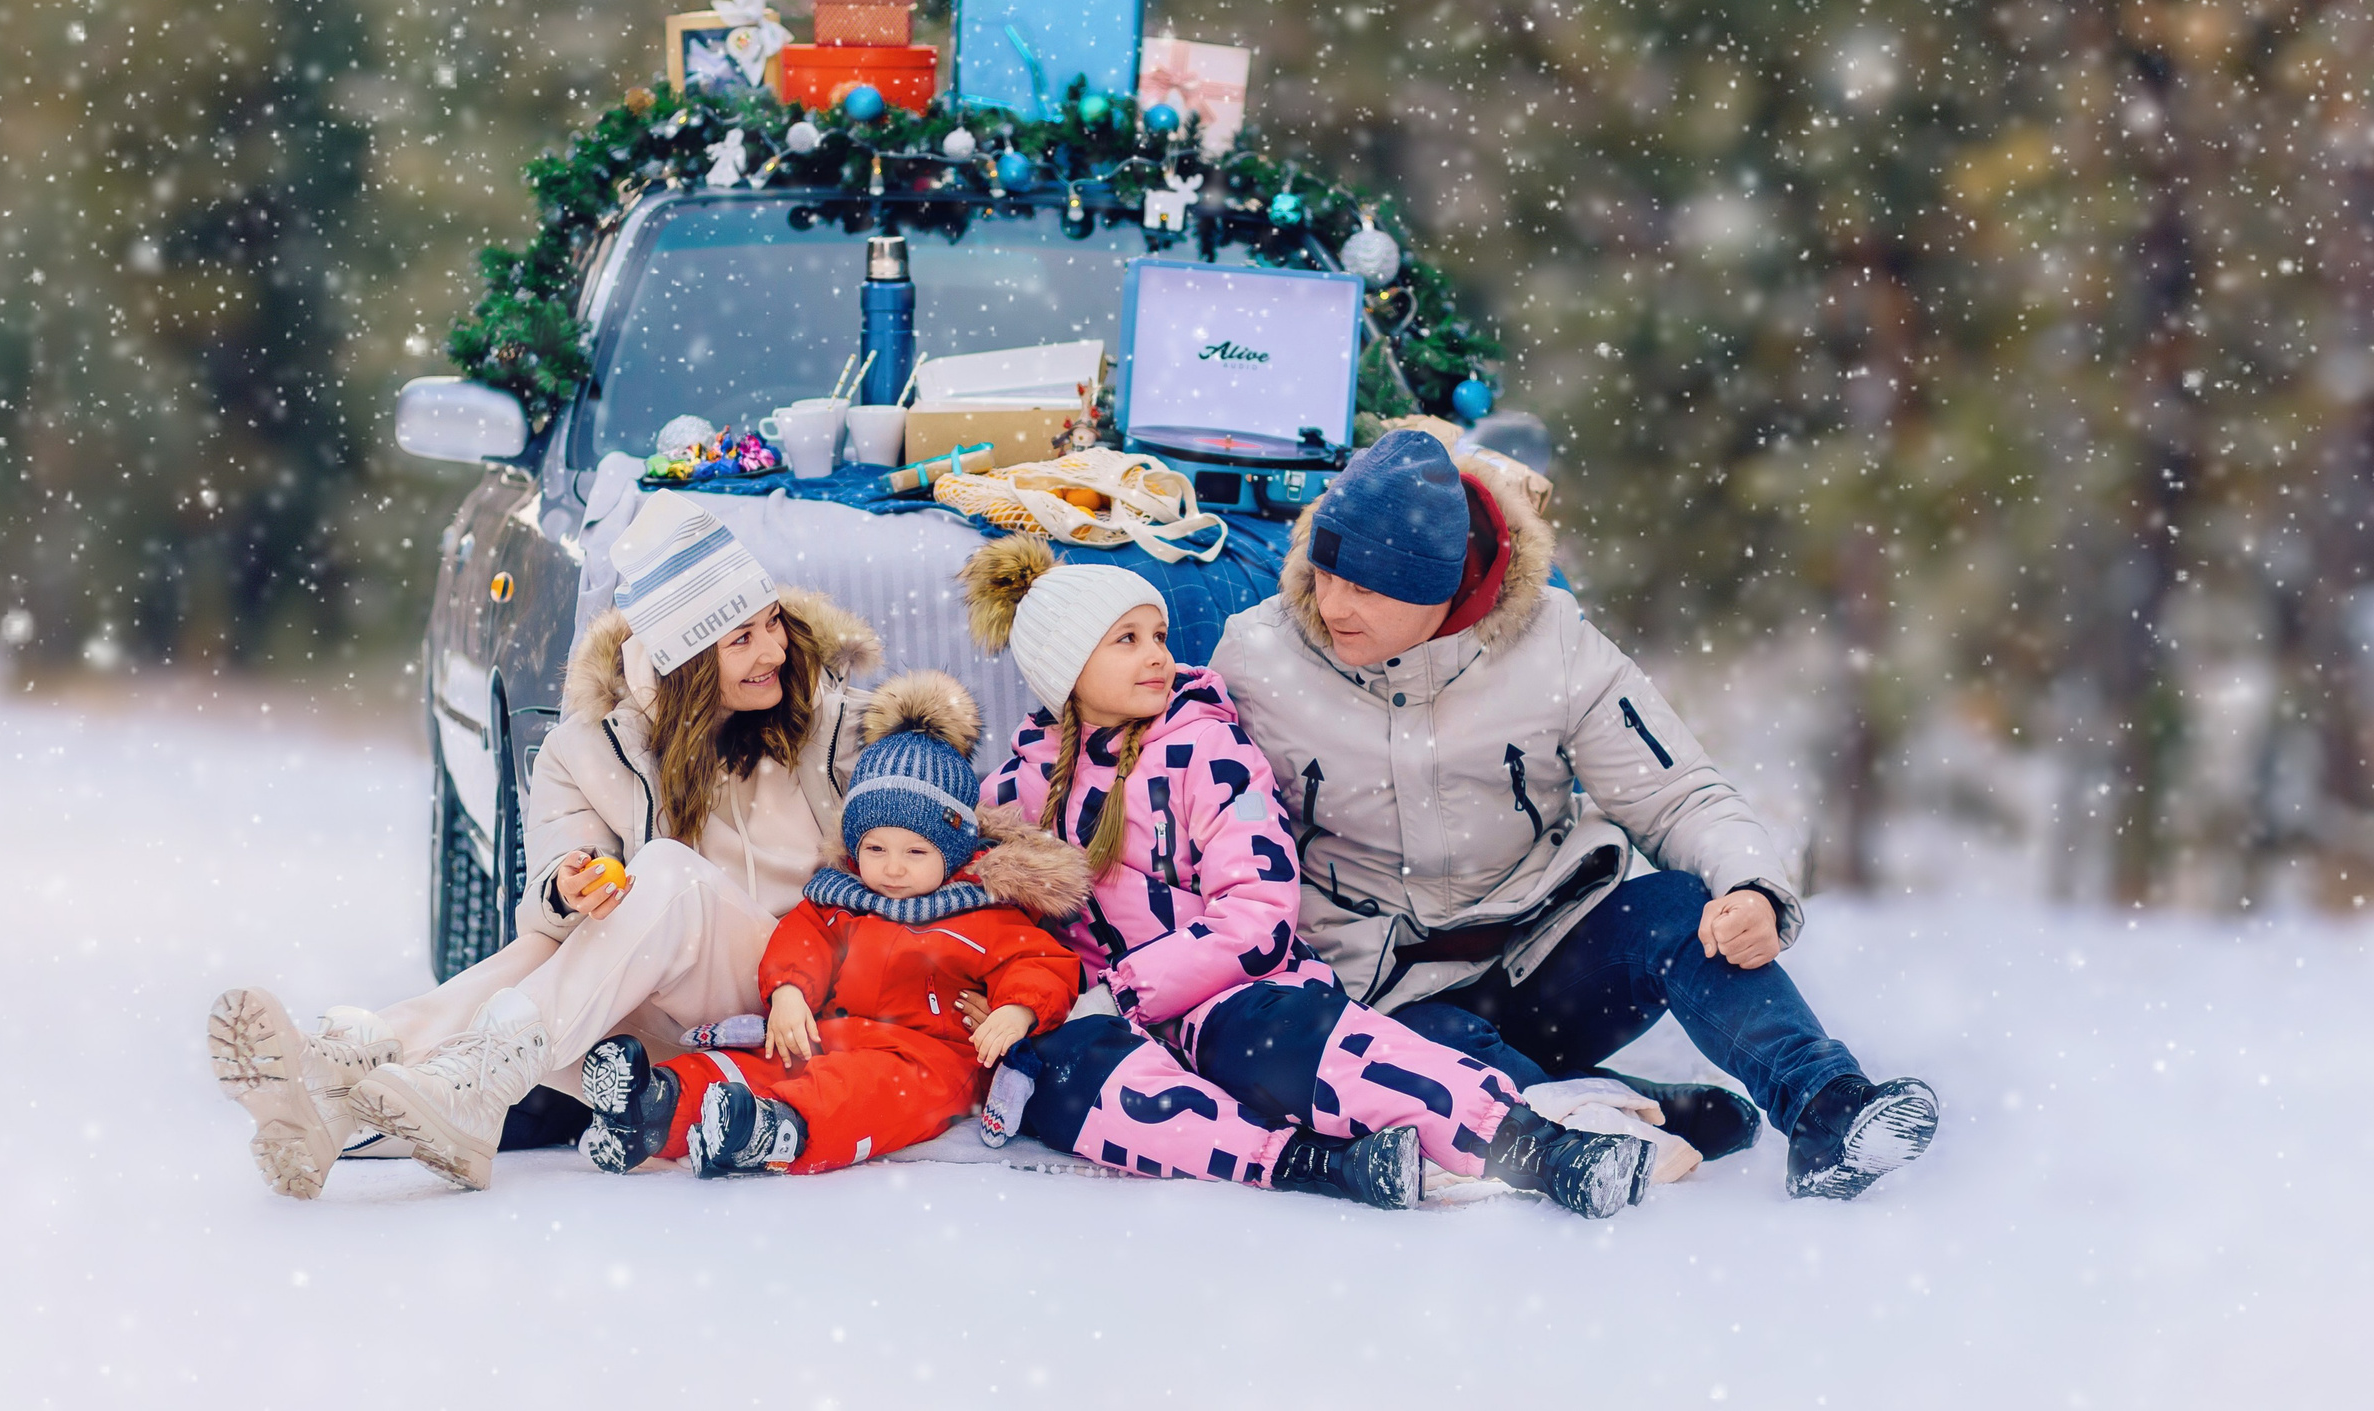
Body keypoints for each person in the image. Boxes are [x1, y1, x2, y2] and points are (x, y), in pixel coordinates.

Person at [1208, 419, 1940, 1200]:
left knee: (1684, 911)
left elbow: (1676, 791)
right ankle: (1620, 1116)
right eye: (1325, 573)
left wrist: (1753, 888)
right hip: (1389, 988)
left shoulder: (1552, 641)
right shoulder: (1257, 660)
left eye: (1367, 587)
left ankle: (1828, 1108)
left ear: (1443, 584)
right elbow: (1203, 828)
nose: (1333, 604)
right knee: (1431, 1064)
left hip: (1551, 950)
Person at [205, 490, 887, 1196]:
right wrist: (569, 886)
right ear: (683, 661)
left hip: (794, 1000)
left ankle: (371, 1059)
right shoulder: (585, 751)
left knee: (666, 874)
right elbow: (544, 908)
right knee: (546, 945)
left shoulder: (829, 725)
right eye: (741, 639)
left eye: (771, 622)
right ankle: (331, 1110)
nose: (774, 649)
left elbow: (922, 831)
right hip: (652, 1036)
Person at [957, 535, 1657, 1218]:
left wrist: (1125, 992)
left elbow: (1258, 914)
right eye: (1127, 640)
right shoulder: (1021, 782)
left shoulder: (1207, 748)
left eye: (1159, 635)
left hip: (1233, 995)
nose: (1158, 656)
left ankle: (1540, 1147)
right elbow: (959, 881)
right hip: (1105, 1020)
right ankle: (1317, 1163)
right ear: (1064, 670)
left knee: (1313, 1052)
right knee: (1061, 1084)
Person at [572, 672, 1088, 1176]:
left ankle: (778, 1129)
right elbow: (802, 938)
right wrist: (790, 994)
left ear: (953, 853)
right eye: (875, 848)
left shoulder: (981, 911)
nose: (892, 867)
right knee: (762, 1060)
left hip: (928, 1058)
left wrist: (1017, 1010)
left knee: (864, 1090)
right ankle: (656, 1106)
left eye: (915, 852)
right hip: (833, 1033)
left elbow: (1039, 961)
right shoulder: (842, 900)